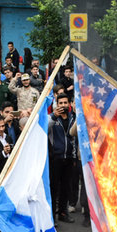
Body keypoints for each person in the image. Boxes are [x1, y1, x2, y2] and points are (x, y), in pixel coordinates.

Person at [48, 94, 77, 224]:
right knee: (54, 189)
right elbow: (45, 127)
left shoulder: (73, 118)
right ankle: (52, 216)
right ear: (56, 104)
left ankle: (63, 213)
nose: (63, 105)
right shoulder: (52, 118)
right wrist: (54, 115)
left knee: (66, 188)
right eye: (61, 103)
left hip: (69, 158)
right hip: (56, 158)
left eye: (66, 103)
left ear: (69, 104)